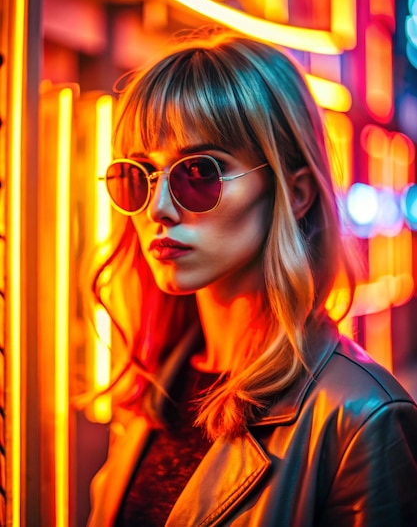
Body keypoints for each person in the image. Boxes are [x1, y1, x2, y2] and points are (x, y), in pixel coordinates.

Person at [86, 29, 417, 527]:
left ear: (295, 191)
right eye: (137, 175)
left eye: (198, 173)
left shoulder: (363, 418)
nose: (157, 209)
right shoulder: (153, 387)